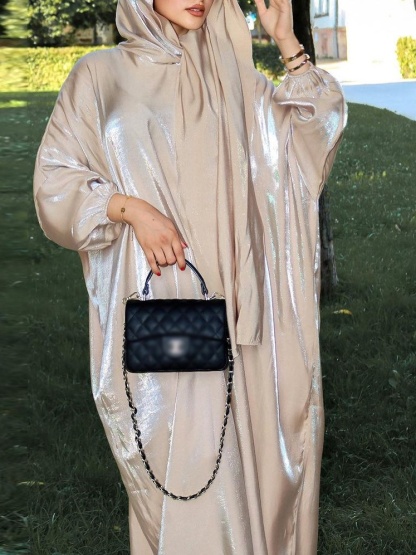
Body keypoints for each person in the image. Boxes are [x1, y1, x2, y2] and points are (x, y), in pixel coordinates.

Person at [33, 0, 347, 553]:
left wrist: (288, 44)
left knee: (248, 472)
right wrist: (130, 209)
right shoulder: (101, 76)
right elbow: (54, 183)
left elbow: (307, 147)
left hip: (242, 317)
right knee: (182, 474)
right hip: (162, 310)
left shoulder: (237, 79)